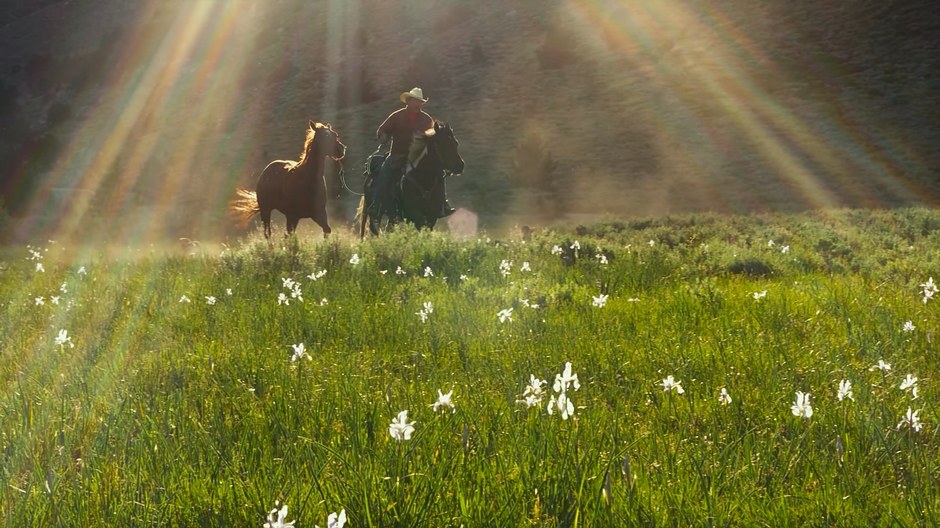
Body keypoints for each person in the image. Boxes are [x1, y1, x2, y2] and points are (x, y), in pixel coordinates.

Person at [372, 87, 455, 218]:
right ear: (408, 101)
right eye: (416, 101)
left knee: (439, 173)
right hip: (397, 155)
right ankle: (376, 205)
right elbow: (381, 130)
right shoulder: (396, 116)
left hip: (419, 158)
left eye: (420, 102)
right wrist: (383, 137)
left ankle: (443, 204)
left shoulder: (426, 119)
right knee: (384, 173)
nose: (418, 104)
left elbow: (434, 136)